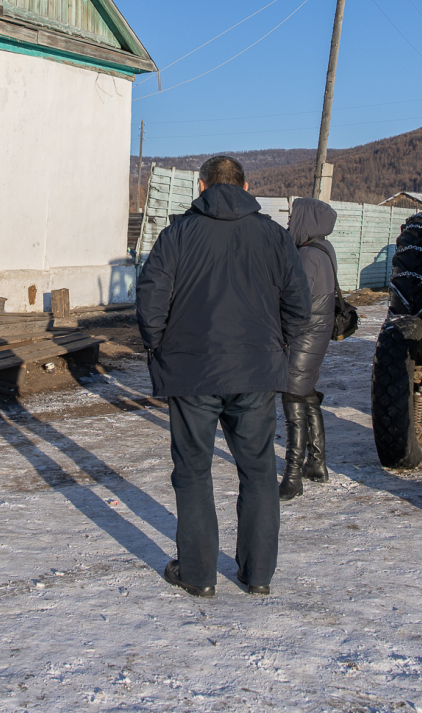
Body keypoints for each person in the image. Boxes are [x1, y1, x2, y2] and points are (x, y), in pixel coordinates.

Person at [136, 155, 311, 597]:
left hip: (191, 368)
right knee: (256, 470)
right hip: (255, 370)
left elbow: (150, 299)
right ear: (246, 186)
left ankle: (197, 575)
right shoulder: (273, 235)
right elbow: (299, 305)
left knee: (193, 470)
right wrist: (278, 348)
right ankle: (258, 576)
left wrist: (158, 346)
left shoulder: (177, 234)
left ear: (202, 187)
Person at [279, 197, 339, 500]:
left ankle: (292, 476)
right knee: (307, 395)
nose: (290, 223)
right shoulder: (325, 249)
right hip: (318, 333)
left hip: (303, 335)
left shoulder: (306, 256)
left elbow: (294, 304)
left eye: (293, 218)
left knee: (292, 397)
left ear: (307, 220)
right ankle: (317, 464)